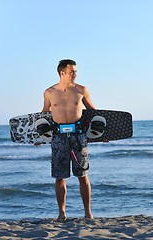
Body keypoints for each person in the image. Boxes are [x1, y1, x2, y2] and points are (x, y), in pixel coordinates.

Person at [41, 59, 95, 221]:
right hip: (58, 137)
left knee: (83, 176)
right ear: (62, 73)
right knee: (59, 177)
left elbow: (93, 112)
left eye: (76, 71)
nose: (75, 74)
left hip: (79, 136)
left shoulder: (82, 90)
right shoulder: (49, 92)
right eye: (72, 72)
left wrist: (102, 135)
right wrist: (39, 136)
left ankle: (88, 213)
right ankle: (62, 213)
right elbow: (44, 115)